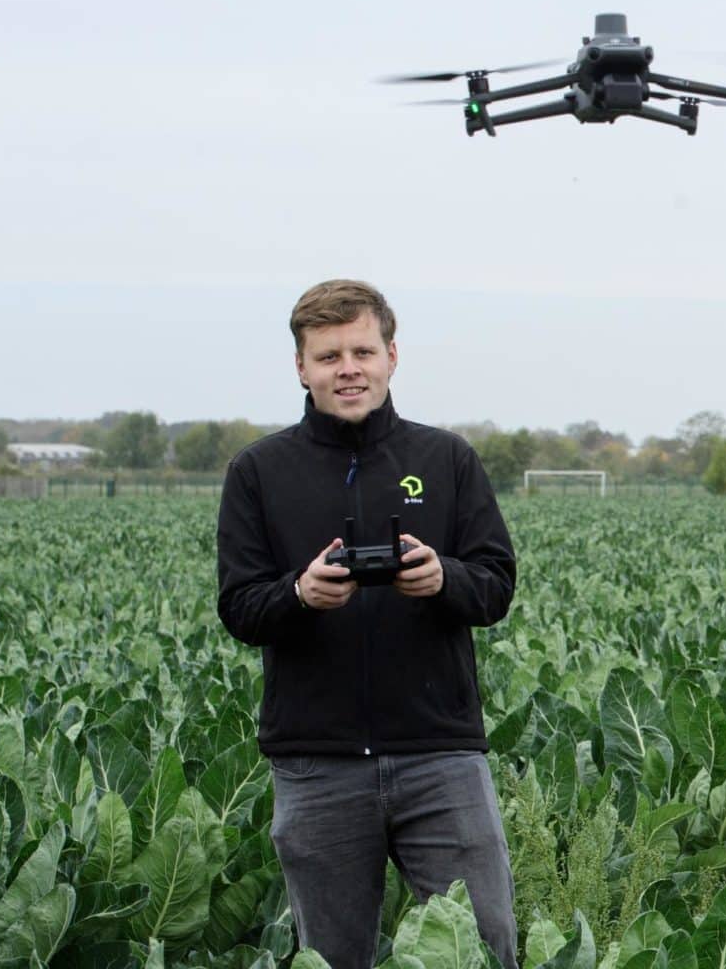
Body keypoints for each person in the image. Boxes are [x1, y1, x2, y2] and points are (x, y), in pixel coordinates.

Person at [217, 279, 518, 969]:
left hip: (439, 756)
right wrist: (300, 594)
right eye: (328, 357)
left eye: (362, 352)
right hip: (316, 764)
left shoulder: (447, 459)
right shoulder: (259, 471)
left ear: (391, 356)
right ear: (302, 367)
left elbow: (496, 586)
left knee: (481, 947)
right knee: (330, 958)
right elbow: (240, 607)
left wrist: (443, 579)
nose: (347, 369)